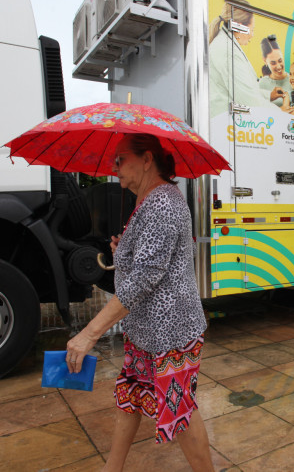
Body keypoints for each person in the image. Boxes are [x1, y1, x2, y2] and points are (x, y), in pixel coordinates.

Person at [65, 133, 213, 472]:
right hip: (145, 330)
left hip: (170, 332)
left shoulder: (162, 203)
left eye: (120, 159)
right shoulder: (147, 202)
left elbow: (146, 278)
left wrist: (90, 332)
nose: (114, 167)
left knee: (179, 411)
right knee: (132, 395)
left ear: (147, 159)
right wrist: (124, 252)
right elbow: (148, 265)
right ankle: (112, 468)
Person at [208, 0, 275, 118]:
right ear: (239, 27)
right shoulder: (228, 52)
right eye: (252, 30)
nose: (252, 35)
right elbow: (250, 101)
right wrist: (284, 114)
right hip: (229, 125)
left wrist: (270, 95)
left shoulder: (226, 44)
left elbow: (246, 88)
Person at [258, 34, 291, 107]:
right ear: (265, 61)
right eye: (273, 63)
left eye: (280, 60)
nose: (278, 67)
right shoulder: (262, 83)